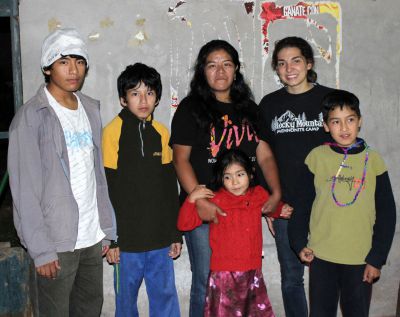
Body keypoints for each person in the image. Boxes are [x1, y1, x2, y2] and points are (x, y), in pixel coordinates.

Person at [7, 28, 116, 316]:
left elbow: (97, 177)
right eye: (63, 61)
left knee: (90, 310)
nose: (73, 69)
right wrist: (41, 249)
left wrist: (106, 229)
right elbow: (24, 191)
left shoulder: (90, 109)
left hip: (92, 237)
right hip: (56, 242)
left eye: (79, 61)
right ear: (47, 67)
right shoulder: (31, 118)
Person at [170, 39, 282, 316]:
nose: (220, 72)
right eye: (212, 65)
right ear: (202, 71)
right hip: (205, 211)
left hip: (242, 212)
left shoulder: (250, 110)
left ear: (236, 70)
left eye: (226, 64)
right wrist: (199, 200)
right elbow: (180, 158)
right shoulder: (191, 108)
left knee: (245, 286)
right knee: (205, 283)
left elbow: (265, 156)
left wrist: (276, 194)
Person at [288, 89, 396, 316]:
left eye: (350, 120)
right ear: (326, 125)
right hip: (321, 257)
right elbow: (302, 206)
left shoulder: (374, 160)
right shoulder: (316, 157)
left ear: (360, 122)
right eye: (336, 121)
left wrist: (376, 258)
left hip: (360, 259)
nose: (344, 128)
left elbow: (387, 213)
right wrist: (299, 244)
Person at [258, 36, 333, 317]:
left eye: (296, 60)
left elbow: (344, 150)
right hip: (288, 208)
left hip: (328, 206)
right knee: (292, 279)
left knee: (327, 278)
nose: (289, 68)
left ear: (309, 63)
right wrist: (272, 204)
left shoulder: (329, 100)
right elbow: (262, 159)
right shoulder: (268, 105)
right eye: (282, 63)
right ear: (277, 69)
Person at [102, 63, 182, 317]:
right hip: (126, 242)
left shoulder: (161, 132)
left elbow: (170, 187)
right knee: (125, 303)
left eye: (149, 92)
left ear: (157, 98)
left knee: (165, 298)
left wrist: (174, 233)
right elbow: (107, 188)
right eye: (135, 93)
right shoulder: (112, 132)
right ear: (123, 99)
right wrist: (112, 238)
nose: (143, 99)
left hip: (159, 238)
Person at [177, 149, 292, 317]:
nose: (234, 181)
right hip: (223, 275)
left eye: (240, 174)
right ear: (221, 178)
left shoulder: (258, 194)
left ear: (251, 174)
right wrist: (191, 199)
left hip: (252, 271)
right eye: (227, 176)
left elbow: (270, 207)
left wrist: (281, 209)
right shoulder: (213, 199)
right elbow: (184, 224)